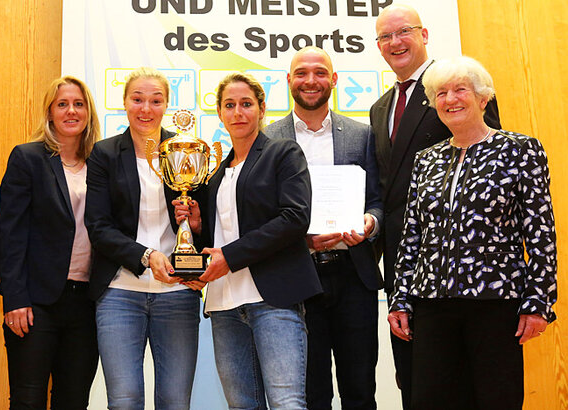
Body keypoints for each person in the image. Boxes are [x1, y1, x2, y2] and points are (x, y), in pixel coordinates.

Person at [388, 56, 556, 410]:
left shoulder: (520, 150)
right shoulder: (426, 160)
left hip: (496, 304)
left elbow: (540, 233)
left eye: (460, 90)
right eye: (441, 93)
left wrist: (539, 301)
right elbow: (413, 235)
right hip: (431, 304)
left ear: (482, 98)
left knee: (496, 400)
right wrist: (400, 297)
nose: (450, 100)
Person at [369, 5, 501, 407]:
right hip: (404, 267)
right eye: (384, 37)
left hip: (468, 276)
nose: (395, 43)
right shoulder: (379, 109)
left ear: (424, 35)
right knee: (414, 378)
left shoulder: (461, 88)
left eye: (403, 31)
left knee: (471, 383)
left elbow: (490, 171)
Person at [177, 72, 322, 409]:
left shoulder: (283, 153)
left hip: (274, 298)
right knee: (242, 405)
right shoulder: (216, 175)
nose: (238, 112)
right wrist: (198, 229)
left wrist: (228, 256)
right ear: (220, 113)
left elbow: (294, 218)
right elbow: (221, 236)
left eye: (246, 104)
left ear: (261, 109)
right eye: (230, 105)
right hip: (225, 303)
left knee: (287, 402)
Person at [264, 47, 383, 409]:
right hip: (298, 279)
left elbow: (379, 199)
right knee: (311, 393)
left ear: (333, 80)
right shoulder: (268, 138)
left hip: (354, 276)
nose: (310, 81)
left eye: (319, 73)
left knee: (360, 389)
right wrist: (300, 239)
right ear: (288, 81)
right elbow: (263, 214)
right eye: (301, 73)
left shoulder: (363, 135)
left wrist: (370, 223)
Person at [85, 67, 201, 409]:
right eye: (137, 99)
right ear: (124, 102)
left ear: (166, 105)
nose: (145, 109)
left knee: (175, 401)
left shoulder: (183, 151)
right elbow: (98, 226)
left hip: (177, 294)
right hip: (120, 292)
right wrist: (148, 256)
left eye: (155, 100)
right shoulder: (104, 154)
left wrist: (194, 223)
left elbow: (204, 226)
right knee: (124, 400)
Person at [0, 76, 101, 409]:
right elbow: (9, 234)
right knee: (28, 400)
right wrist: (14, 299)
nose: (71, 111)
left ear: (88, 112)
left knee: (73, 401)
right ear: (50, 113)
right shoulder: (28, 159)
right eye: (62, 104)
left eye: (78, 104)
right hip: (36, 303)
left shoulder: (102, 164)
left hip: (87, 303)